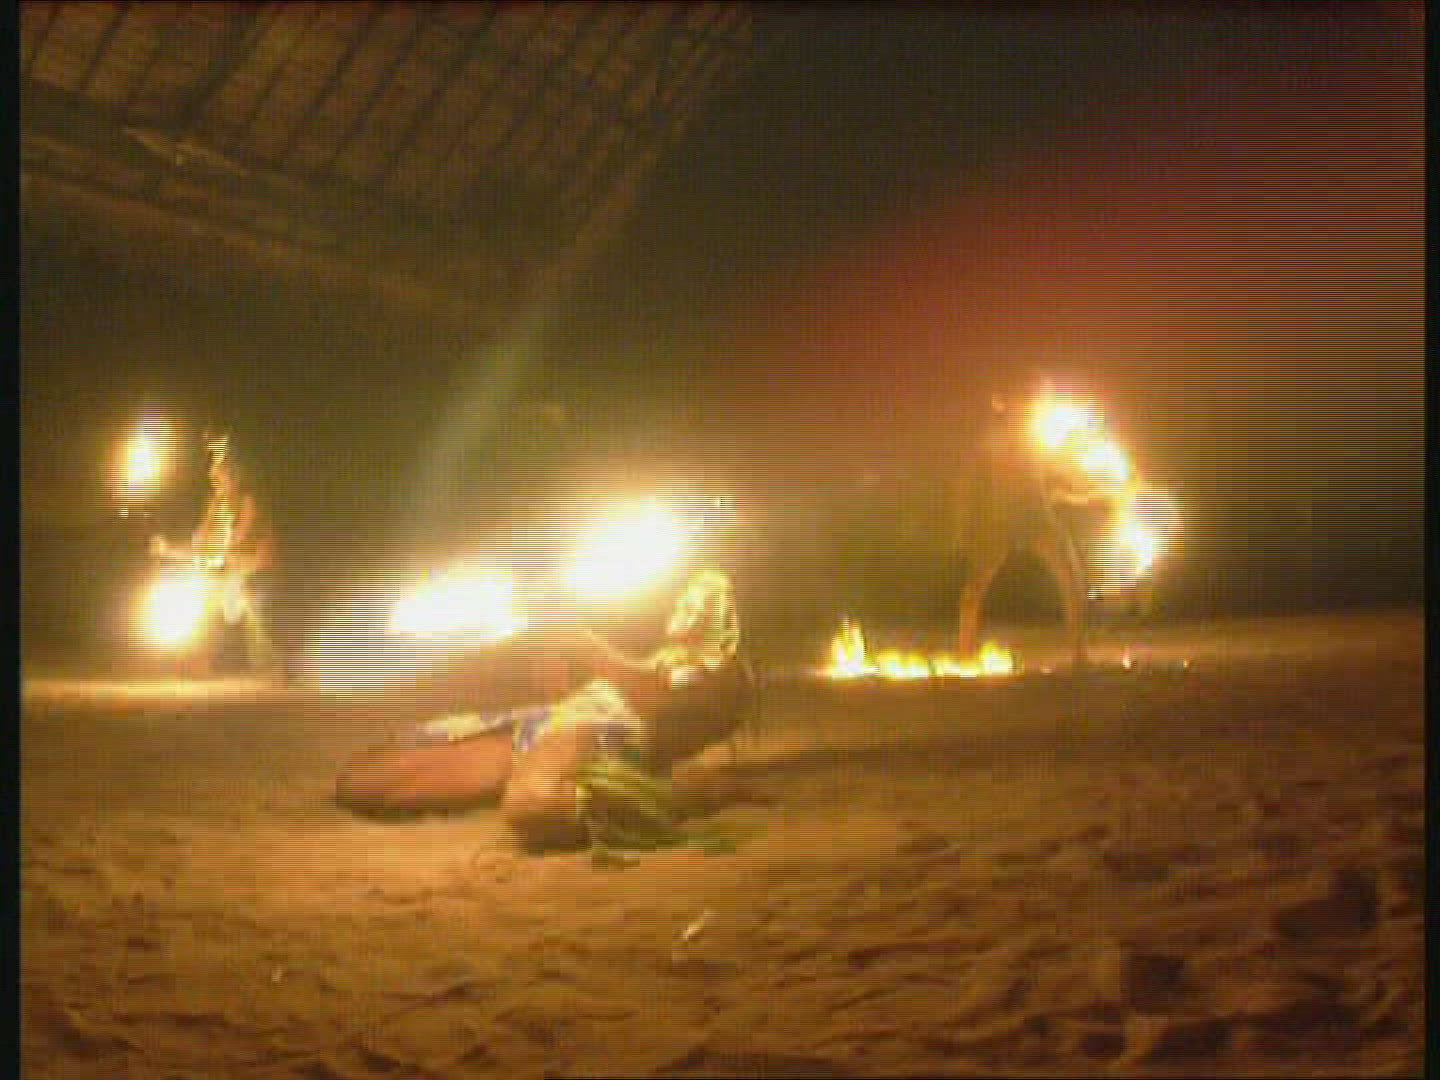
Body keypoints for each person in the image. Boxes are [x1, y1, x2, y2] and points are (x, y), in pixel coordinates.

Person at [336, 527, 747, 851]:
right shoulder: (656, 664)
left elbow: (660, 698)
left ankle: (672, 797)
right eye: (683, 602)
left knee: (535, 802)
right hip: (563, 722)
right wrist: (574, 659)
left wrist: (584, 646)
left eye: (700, 605)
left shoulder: (717, 668)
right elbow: (635, 680)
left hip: (600, 727)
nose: (684, 610)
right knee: (363, 780)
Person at [151, 432, 282, 676]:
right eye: (213, 473)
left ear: (235, 475)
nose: (214, 477)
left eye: (221, 473)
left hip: (253, 570)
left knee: (251, 605)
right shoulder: (215, 506)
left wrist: (216, 553)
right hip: (229, 571)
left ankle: (270, 664)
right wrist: (169, 549)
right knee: (204, 599)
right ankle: (199, 661)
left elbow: (237, 539)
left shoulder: (247, 502)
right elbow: (203, 543)